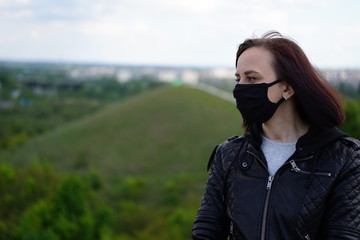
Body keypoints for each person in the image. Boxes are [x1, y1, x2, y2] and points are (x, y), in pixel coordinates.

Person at [192, 31, 360, 240]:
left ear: (287, 88)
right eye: (238, 78)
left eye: (252, 78)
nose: (240, 88)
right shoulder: (229, 155)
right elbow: (207, 231)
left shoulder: (345, 158)